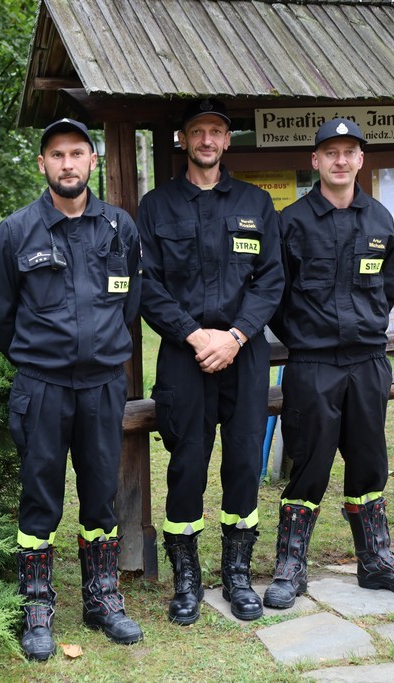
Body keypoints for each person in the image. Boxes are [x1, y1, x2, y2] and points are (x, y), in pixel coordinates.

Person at [0, 117, 144, 660]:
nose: (68, 163)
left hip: (102, 387)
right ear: (42, 164)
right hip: (43, 388)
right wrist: (42, 358)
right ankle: (35, 607)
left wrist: (97, 351)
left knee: (101, 494)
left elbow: (130, 303)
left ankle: (103, 599)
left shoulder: (120, 228)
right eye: (57, 154)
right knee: (40, 497)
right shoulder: (15, 232)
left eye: (77, 153)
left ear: (93, 161)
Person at [264, 118, 394, 611]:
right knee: (309, 463)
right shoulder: (291, 221)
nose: (340, 161)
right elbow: (275, 294)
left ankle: (375, 560)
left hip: (367, 363)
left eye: (349, 152)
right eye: (330, 152)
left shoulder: (379, 218)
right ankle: (290, 567)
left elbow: (387, 286)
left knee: (369, 461)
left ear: (361, 159)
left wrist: (362, 329)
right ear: (315, 160)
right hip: (313, 363)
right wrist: (306, 338)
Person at [138, 99, 284, 623]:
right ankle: (187, 579)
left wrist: (236, 336)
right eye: (197, 131)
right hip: (185, 355)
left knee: (244, 461)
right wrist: (196, 336)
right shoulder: (156, 206)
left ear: (226, 140)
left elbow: (271, 279)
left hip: (244, 353)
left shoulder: (255, 202)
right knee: (187, 464)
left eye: (216, 131)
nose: (206, 140)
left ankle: (237, 575)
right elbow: (147, 283)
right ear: (183, 139)